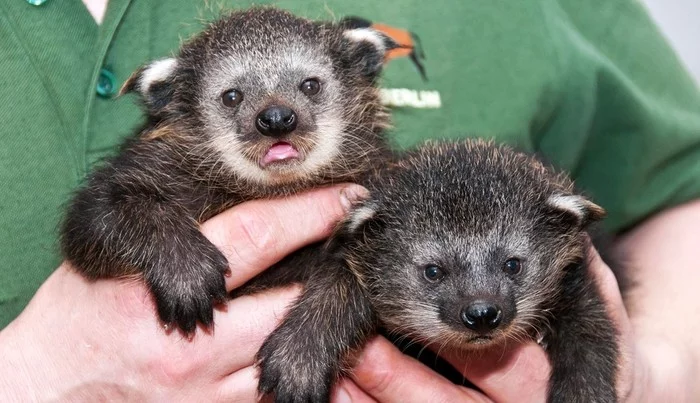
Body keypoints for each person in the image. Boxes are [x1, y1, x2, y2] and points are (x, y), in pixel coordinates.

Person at [1, 0, 698, 400]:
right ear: (174, 105)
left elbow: (678, 192)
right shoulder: (162, 170)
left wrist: (648, 376)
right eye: (236, 98)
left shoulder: (380, 190)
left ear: (358, 79)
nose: (275, 116)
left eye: (306, 90)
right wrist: (28, 377)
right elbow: (106, 213)